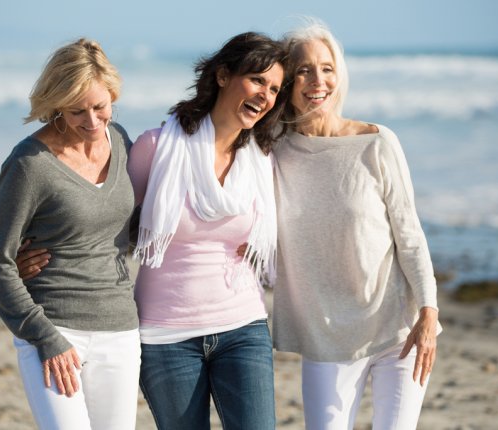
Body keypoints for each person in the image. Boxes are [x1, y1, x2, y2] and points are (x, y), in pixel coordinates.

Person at [270, 20, 442, 430]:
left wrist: (429, 313)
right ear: (288, 82)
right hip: (325, 337)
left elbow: (410, 235)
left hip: (397, 329)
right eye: (304, 70)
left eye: (327, 68)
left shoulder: (377, 143)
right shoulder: (272, 150)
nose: (318, 81)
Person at [128, 31, 286, 430]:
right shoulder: (155, 148)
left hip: (243, 327)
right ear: (221, 75)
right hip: (166, 336)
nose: (265, 95)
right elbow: (104, 225)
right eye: (256, 80)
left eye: (273, 88)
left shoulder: (261, 161)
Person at [0, 39, 140, 430]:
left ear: (113, 95)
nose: (91, 121)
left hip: (120, 329)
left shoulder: (120, 141)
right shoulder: (30, 164)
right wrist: (44, 338)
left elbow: (138, 227)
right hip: (54, 328)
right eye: (76, 111)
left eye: (100, 107)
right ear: (56, 105)